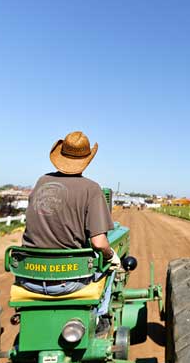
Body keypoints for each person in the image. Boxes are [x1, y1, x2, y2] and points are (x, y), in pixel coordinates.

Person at [19, 130, 121, 334]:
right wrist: (112, 256)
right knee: (110, 270)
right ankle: (100, 318)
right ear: (87, 159)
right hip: (69, 282)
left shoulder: (41, 182)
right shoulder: (91, 189)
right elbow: (99, 243)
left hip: (28, 276)